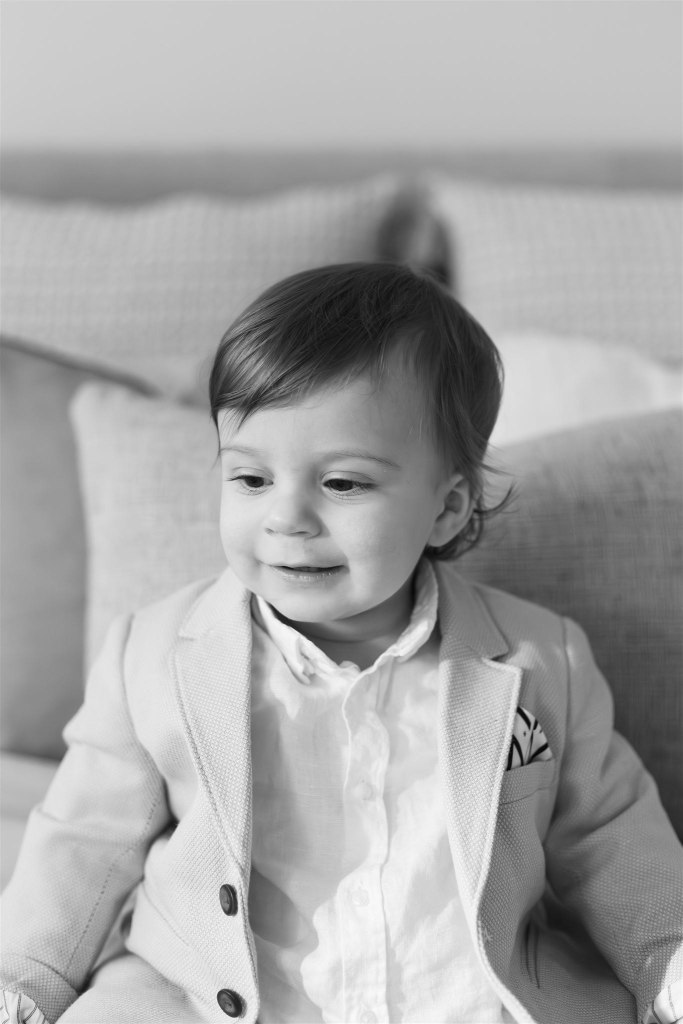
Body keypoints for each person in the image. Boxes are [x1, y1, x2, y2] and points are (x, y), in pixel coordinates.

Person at [1, 263, 681, 1024]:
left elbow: (610, 836)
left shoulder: (541, 658)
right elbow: (83, 842)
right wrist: (23, 982)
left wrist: (667, 957)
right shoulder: (152, 656)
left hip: (466, 1003)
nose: (286, 518)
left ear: (448, 509)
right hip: (205, 1005)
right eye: (251, 479)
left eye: (343, 484)